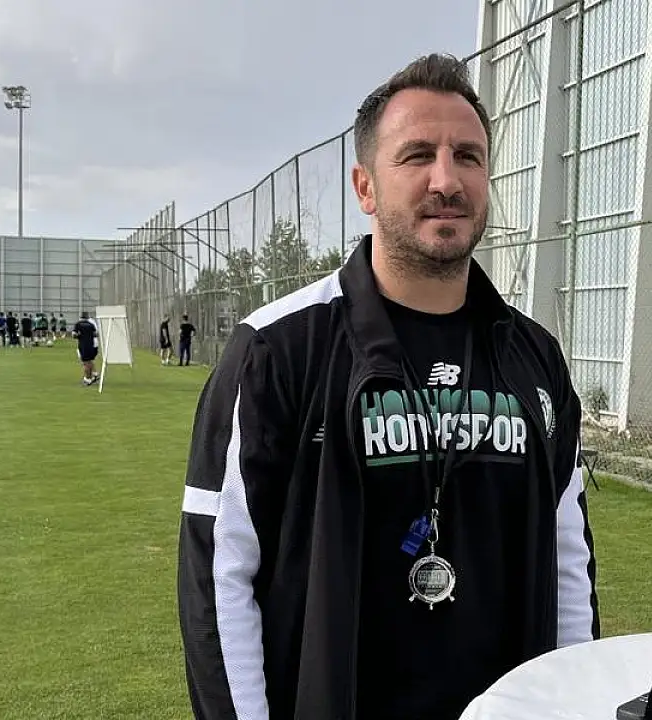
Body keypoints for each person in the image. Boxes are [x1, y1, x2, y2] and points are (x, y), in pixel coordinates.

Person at [176, 53, 599, 720]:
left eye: (467, 156)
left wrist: (575, 703)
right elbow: (219, 572)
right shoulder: (278, 349)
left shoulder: (533, 356)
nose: (446, 180)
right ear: (365, 186)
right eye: (417, 155)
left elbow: (567, 560)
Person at [72, 312, 99, 386]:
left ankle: (88, 379)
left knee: (85, 363)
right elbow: (96, 334)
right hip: (91, 345)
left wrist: (80, 336)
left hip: (83, 346)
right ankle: (91, 377)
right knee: (89, 361)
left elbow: (74, 335)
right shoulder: (91, 324)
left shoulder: (78, 324)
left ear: (81, 317)